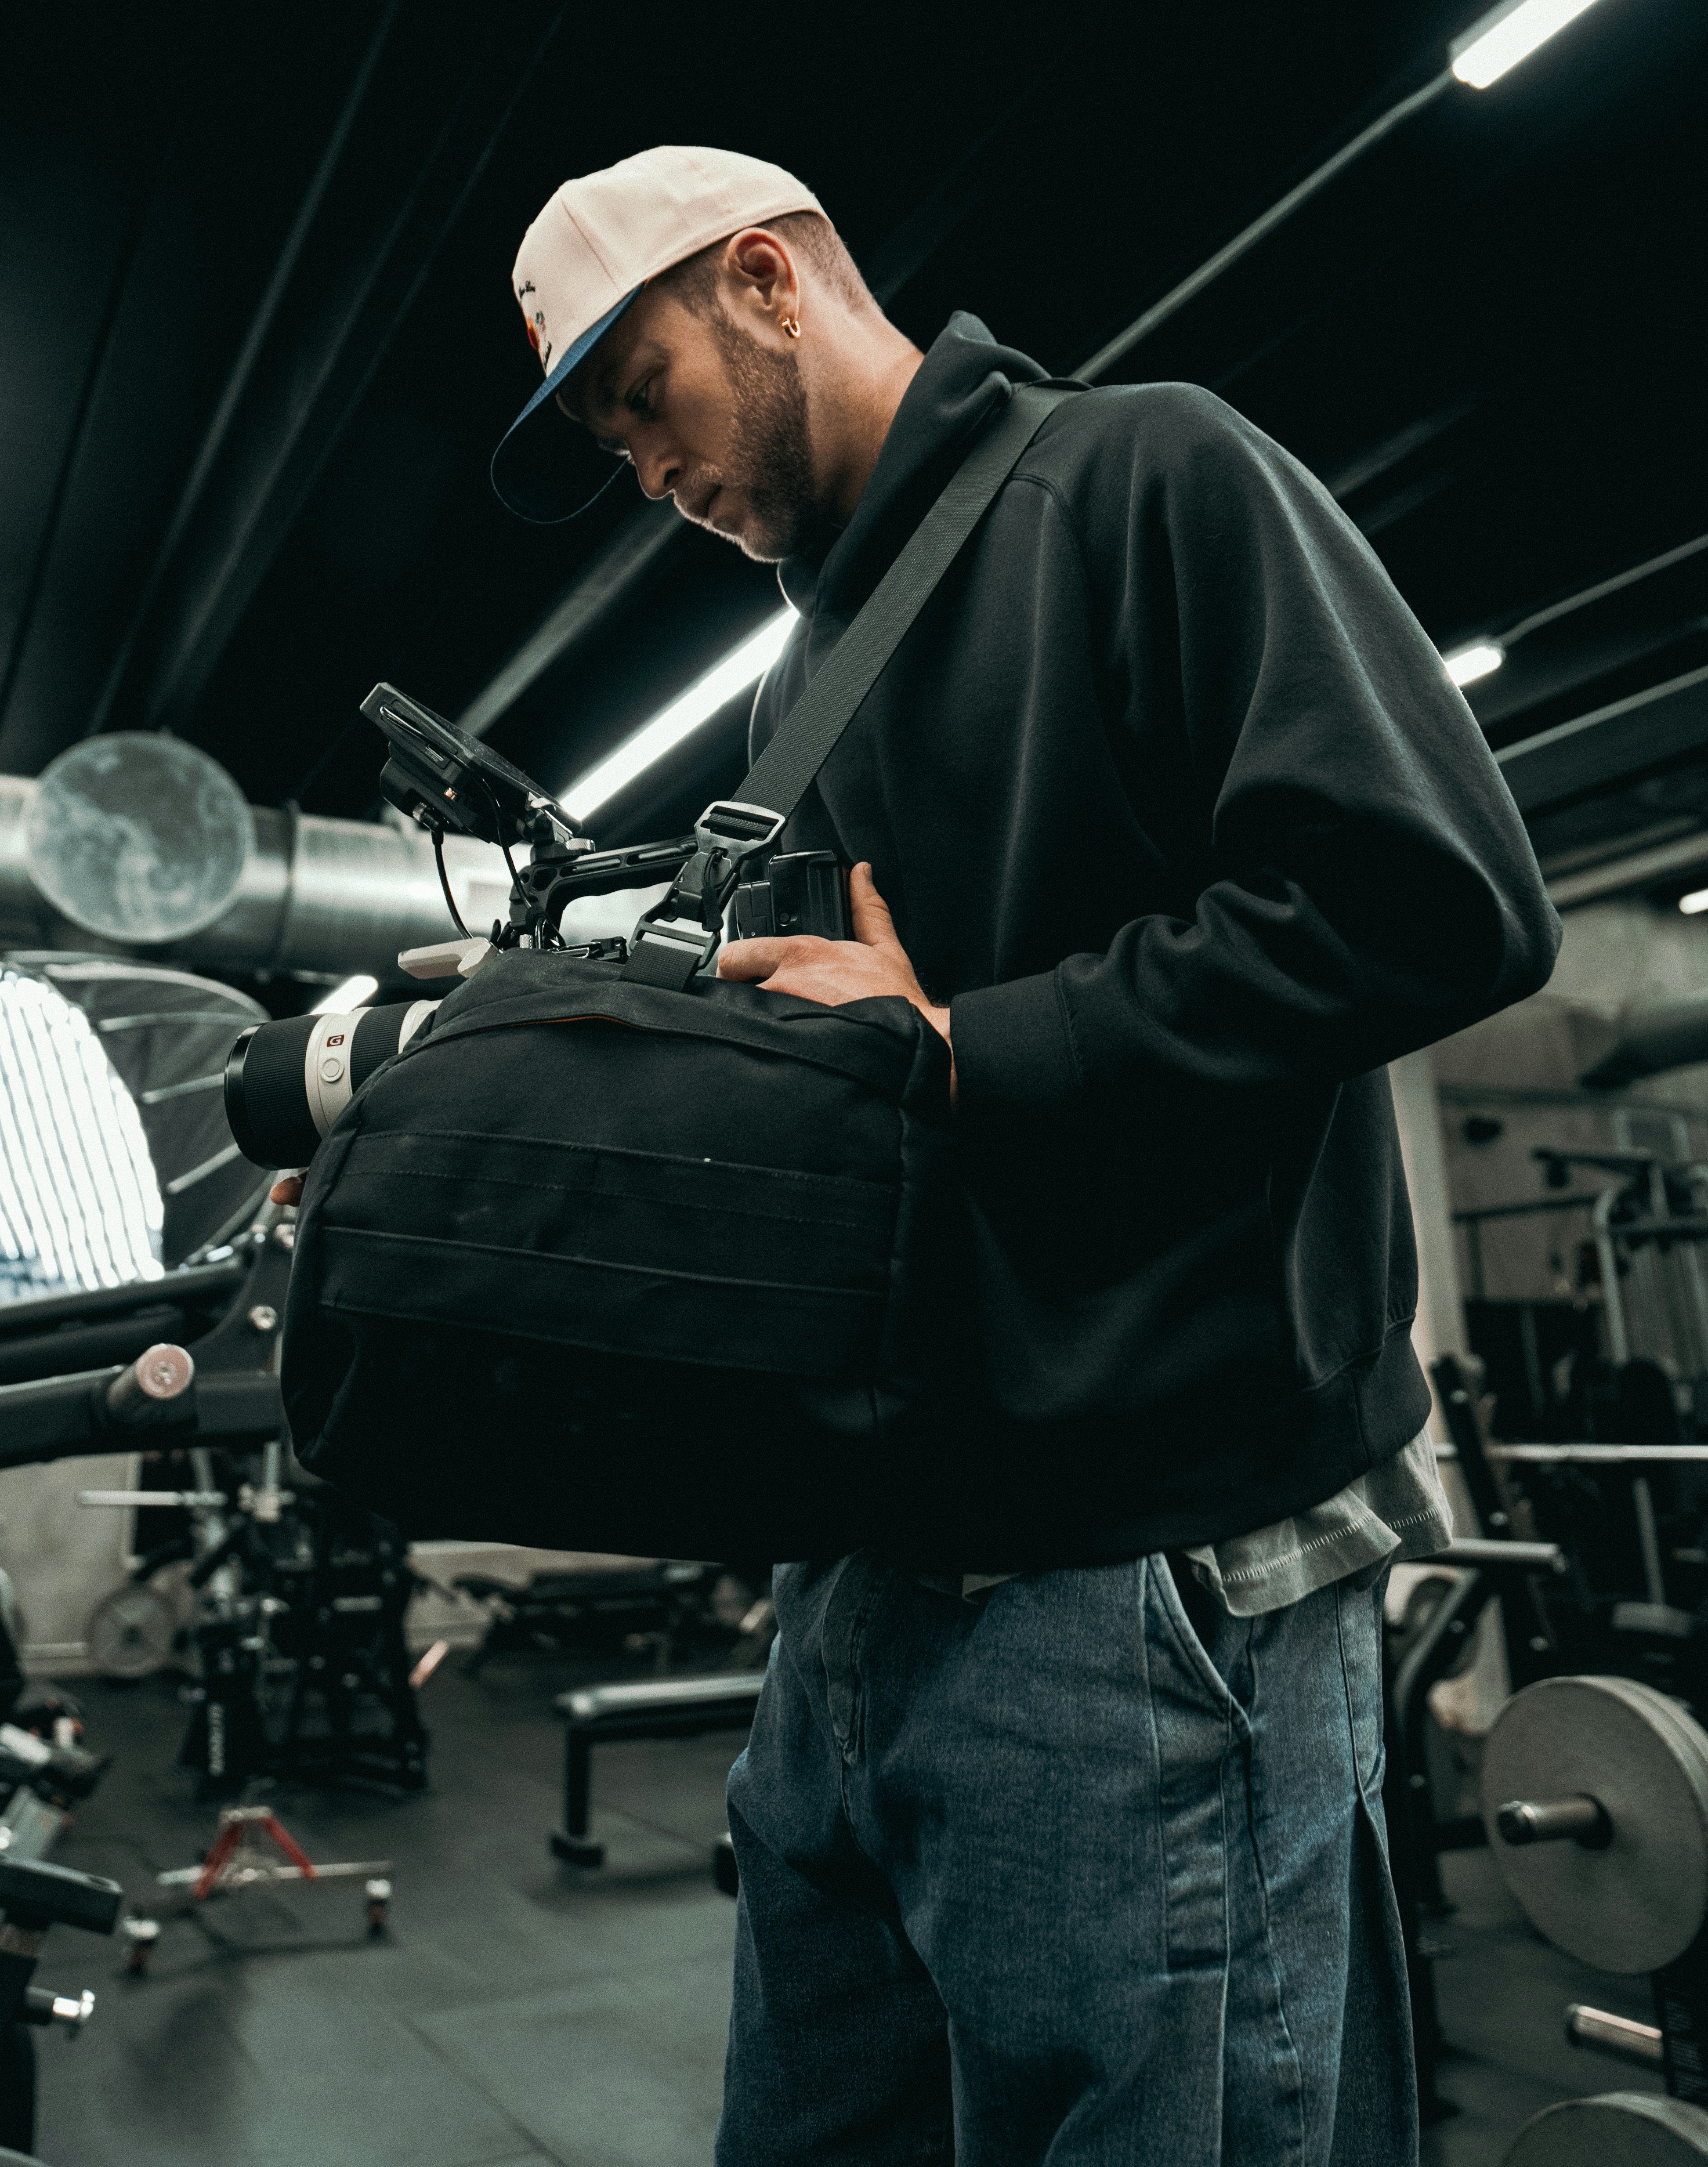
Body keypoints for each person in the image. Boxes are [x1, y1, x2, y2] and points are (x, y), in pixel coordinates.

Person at [483, 144, 1560, 2166]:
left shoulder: (1147, 478)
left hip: (1140, 1573)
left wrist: (976, 1045)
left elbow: (1437, 900)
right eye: (615, 442)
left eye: (648, 396)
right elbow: (863, 1098)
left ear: (770, 285)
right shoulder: (802, 684)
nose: (650, 475)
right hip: (875, 1579)